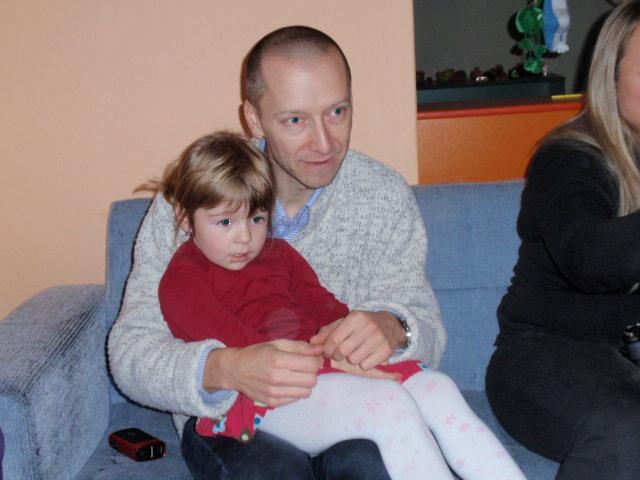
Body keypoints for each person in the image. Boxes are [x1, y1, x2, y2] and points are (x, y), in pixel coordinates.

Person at [108, 25, 447, 479]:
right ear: (253, 118)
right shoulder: (190, 202)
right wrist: (225, 368)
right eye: (295, 120)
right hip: (235, 420)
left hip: (351, 401)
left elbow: (428, 329)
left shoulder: (383, 195)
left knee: (375, 464)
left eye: (337, 112)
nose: (324, 143)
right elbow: (129, 352)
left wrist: (395, 327)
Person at [155, 131, 526, 480]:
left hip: (324, 373)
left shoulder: (279, 253)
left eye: (257, 218)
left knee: (439, 389)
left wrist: (350, 343)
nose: (244, 237)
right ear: (186, 219)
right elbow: (245, 349)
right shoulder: (182, 280)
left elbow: (323, 306)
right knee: (388, 405)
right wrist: (330, 362)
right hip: (262, 397)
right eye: (225, 222)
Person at [485, 3, 640, 479]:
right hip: (539, 357)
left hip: (624, 358)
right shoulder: (569, 159)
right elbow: (589, 258)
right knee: (625, 431)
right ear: (610, 77)